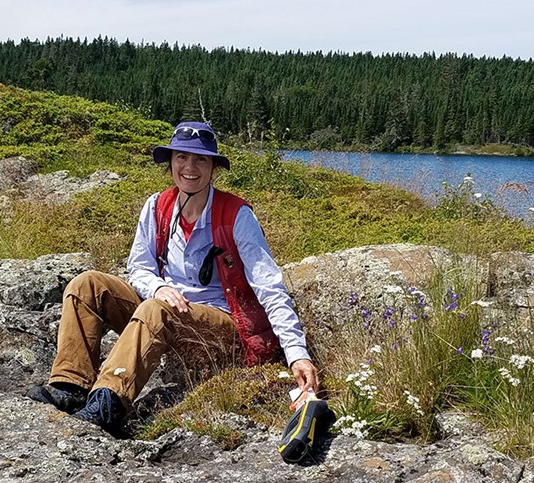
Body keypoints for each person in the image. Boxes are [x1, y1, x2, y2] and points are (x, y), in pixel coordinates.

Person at [26, 121, 318, 432]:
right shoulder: (156, 206)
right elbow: (139, 267)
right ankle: (71, 386)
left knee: (156, 309)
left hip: (222, 327)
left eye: (200, 159)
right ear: (170, 162)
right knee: (87, 285)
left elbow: (269, 286)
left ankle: (108, 403)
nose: (189, 167)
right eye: (181, 157)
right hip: (165, 313)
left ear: (213, 167)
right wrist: (158, 286)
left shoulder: (236, 215)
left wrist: (296, 355)